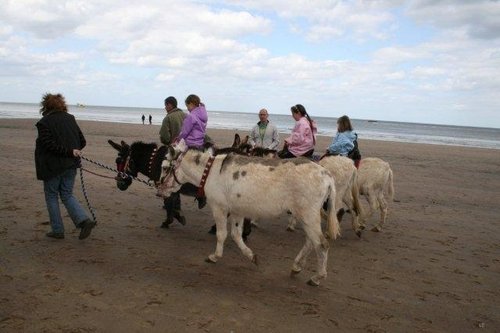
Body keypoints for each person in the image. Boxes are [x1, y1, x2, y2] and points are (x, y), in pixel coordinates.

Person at [35, 93, 96, 240]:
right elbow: (82, 141)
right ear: (62, 105)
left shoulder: (44, 122)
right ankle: (83, 220)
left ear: (46, 106)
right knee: (67, 194)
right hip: (70, 164)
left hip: (53, 167)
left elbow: (49, 145)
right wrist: (72, 151)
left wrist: (69, 151)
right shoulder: (70, 118)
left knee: (51, 196)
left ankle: (58, 230)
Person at [159, 96, 187, 228]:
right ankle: (177, 206)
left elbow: (164, 137)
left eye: (166, 105)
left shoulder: (168, 118)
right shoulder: (186, 115)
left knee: (167, 178)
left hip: (175, 151)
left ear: (170, 105)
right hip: (188, 150)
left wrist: (168, 142)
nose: (165, 108)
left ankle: (171, 207)